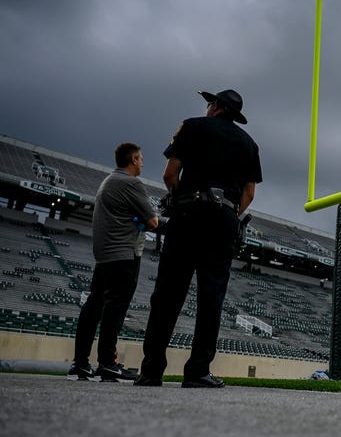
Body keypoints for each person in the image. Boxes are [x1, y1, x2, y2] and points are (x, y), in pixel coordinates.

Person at [135, 89, 262, 388]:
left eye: (209, 103)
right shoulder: (250, 144)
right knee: (211, 297)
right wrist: (229, 213)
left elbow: (170, 174)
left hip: (189, 213)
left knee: (167, 294)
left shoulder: (192, 126)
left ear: (216, 107)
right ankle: (198, 371)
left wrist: (184, 201)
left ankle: (152, 370)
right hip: (225, 221)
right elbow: (249, 193)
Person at [68, 143, 158, 381]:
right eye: (140, 159)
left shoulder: (108, 181)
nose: (142, 163)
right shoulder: (131, 183)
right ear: (132, 159)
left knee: (94, 306)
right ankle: (107, 362)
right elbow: (153, 222)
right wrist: (142, 216)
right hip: (123, 254)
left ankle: (80, 363)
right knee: (114, 309)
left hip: (105, 254)